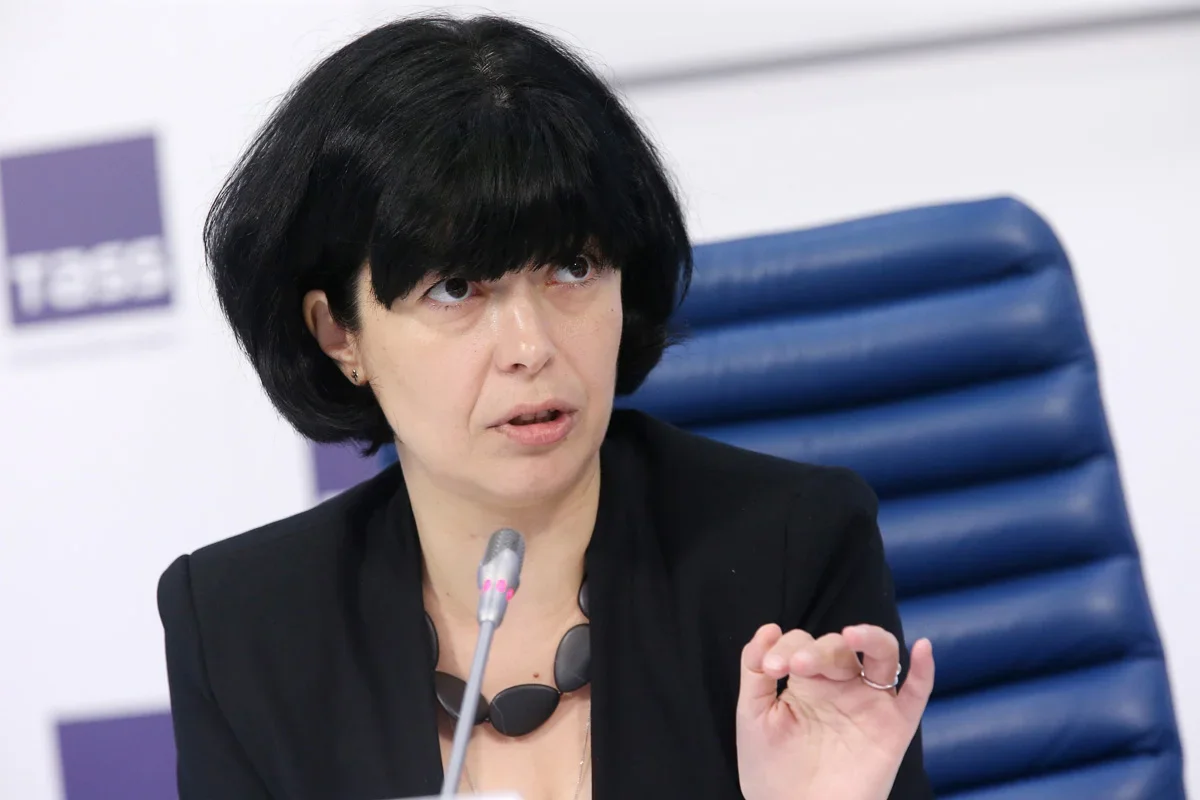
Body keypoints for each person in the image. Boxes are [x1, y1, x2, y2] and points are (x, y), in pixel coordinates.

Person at [157, 12, 936, 800]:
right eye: (455, 288)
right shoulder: (241, 629)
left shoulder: (788, 553)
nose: (531, 346)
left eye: (573, 268)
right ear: (338, 334)